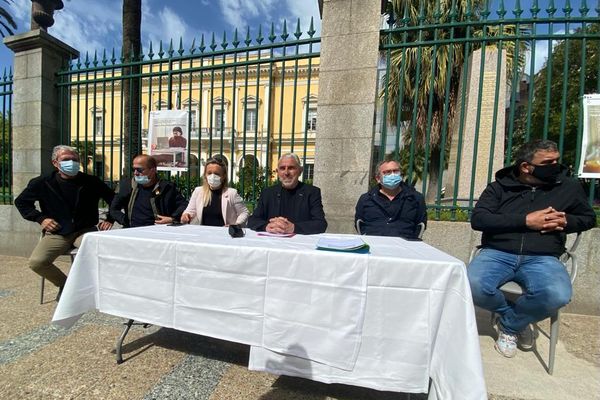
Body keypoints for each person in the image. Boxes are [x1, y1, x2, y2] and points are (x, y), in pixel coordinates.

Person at [468, 139, 596, 358]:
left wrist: (566, 221)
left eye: (557, 160)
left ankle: (509, 326)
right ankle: (517, 317)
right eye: (548, 162)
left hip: (543, 257)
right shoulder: (500, 187)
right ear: (526, 167)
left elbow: (588, 218)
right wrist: (525, 221)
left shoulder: (568, 187)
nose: (556, 165)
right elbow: (479, 219)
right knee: (471, 285)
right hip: (498, 253)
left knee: (557, 294)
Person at [14, 145, 115, 296]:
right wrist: (41, 219)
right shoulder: (42, 182)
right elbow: (21, 202)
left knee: (102, 254)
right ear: (55, 163)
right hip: (57, 232)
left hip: (85, 230)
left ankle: (98, 289)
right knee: (37, 262)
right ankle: (67, 285)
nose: (72, 162)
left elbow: (114, 199)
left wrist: (110, 218)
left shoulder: (91, 181)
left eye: (75, 159)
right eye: (66, 159)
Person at [248, 153, 327, 234]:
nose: (286, 173)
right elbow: (252, 220)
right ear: (278, 172)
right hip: (273, 241)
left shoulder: (312, 192)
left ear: (300, 171)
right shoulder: (268, 193)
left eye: (291, 168)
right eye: (282, 168)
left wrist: (294, 228)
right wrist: (267, 226)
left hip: (299, 243)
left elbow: (321, 224)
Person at [355, 159, 426, 239]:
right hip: (374, 245)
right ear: (378, 178)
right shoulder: (366, 199)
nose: (392, 175)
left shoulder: (416, 198)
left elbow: (420, 225)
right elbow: (359, 224)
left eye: (395, 171)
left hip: (405, 246)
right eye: (387, 172)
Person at [109, 154, 187, 227]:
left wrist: (172, 218)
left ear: (152, 170)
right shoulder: (127, 186)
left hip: (157, 231)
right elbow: (114, 209)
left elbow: (184, 205)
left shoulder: (166, 187)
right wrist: (125, 221)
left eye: (139, 170)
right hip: (132, 230)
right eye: (134, 169)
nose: (136, 173)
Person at [180, 157, 249, 226]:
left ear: (224, 175)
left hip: (225, 233)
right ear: (205, 175)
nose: (212, 176)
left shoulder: (232, 193)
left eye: (217, 174)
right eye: (209, 173)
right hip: (204, 233)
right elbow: (190, 211)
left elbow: (244, 213)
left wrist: (236, 225)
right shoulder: (198, 191)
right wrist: (186, 215)